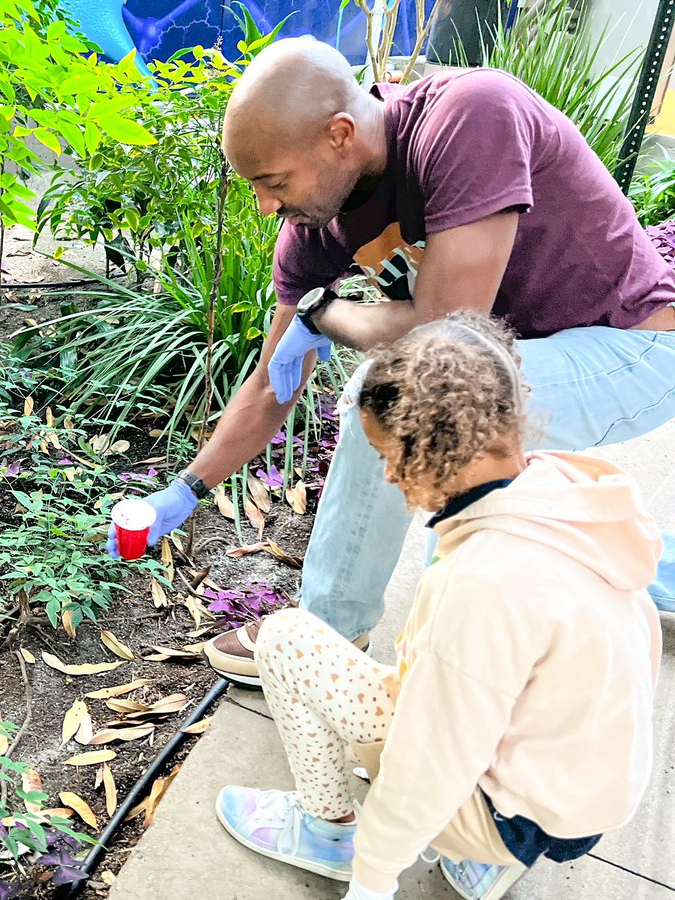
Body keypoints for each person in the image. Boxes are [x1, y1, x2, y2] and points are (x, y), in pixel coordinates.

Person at [104, 37, 675, 684]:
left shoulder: (469, 115)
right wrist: (183, 492)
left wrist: (328, 316)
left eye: (273, 181)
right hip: (517, 361)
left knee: (416, 408)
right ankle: (336, 635)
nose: (266, 205)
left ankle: (383, 654)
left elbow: (451, 330)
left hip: (633, 345)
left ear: (340, 134)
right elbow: (272, 386)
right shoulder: (312, 229)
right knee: (447, 433)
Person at [214, 312, 662, 900]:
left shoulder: (485, 582)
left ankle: (328, 831)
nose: (387, 476)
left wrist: (373, 880)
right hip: (583, 793)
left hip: (516, 818)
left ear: (425, 449)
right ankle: (479, 858)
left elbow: (432, 759)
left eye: (386, 456)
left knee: (288, 639)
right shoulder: (563, 494)